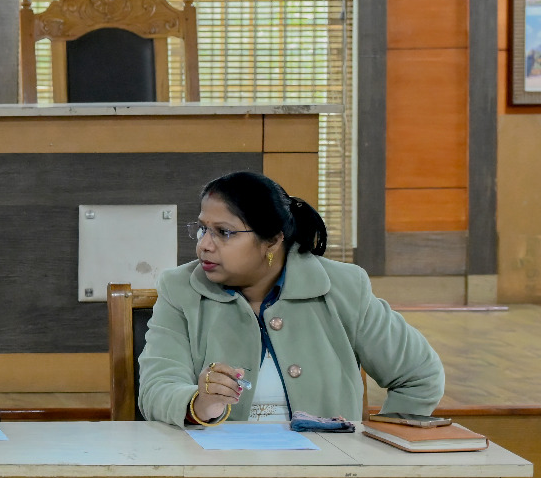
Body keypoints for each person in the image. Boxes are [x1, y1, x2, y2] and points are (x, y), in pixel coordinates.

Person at [138, 171, 444, 427]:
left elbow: (419, 376)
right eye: (203, 229)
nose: (204, 245)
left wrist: (378, 447)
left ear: (272, 240)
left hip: (326, 471)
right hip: (218, 469)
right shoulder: (180, 289)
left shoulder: (343, 287)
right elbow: (156, 389)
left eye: (224, 232)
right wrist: (199, 404)